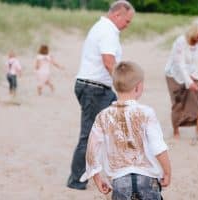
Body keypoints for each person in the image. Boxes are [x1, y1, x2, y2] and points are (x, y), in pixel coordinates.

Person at [67, 1, 135, 190]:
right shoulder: (108, 30)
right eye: (127, 21)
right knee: (90, 135)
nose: (127, 26)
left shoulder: (104, 28)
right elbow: (108, 61)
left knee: (121, 123)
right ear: (117, 15)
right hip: (94, 89)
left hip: (96, 88)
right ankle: (76, 180)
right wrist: (123, 87)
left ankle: (121, 171)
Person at [80, 61, 171, 200]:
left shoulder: (103, 116)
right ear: (138, 87)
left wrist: (97, 178)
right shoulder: (146, 113)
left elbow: (91, 150)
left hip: (120, 182)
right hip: (148, 179)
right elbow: (158, 147)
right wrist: (167, 171)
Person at [165, 19, 198, 141]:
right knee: (179, 103)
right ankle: (176, 130)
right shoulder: (181, 41)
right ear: (194, 31)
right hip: (174, 75)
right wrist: (189, 82)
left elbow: (195, 62)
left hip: (191, 74)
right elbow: (180, 64)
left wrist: (195, 77)